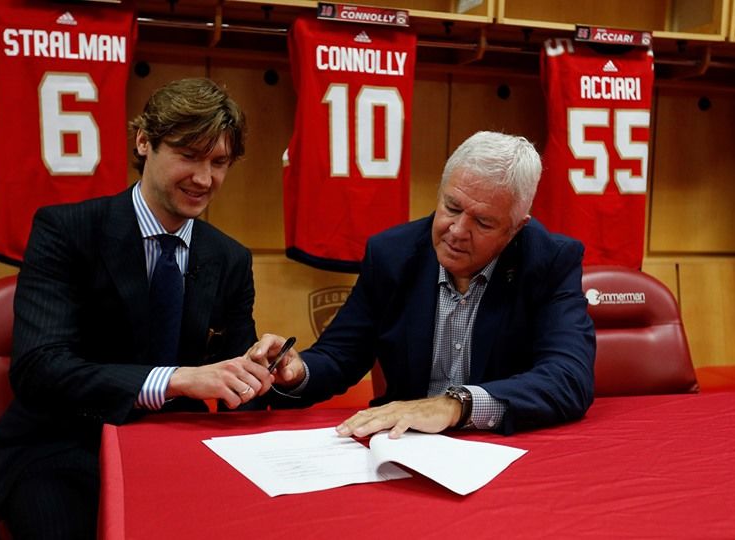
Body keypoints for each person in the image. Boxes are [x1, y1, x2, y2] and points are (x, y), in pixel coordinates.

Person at [0, 78, 273, 539]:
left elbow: (237, 375)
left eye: (219, 162)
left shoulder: (229, 258)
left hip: (179, 448)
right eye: (189, 155)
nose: (204, 179)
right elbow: (40, 368)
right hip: (66, 446)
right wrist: (175, 379)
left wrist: (268, 369)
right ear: (144, 142)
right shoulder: (66, 230)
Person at [253, 131, 596, 438]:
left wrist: (455, 406)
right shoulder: (392, 254)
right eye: (451, 207)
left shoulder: (549, 260)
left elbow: (568, 378)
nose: (458, 230)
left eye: (484, 222)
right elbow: (341, 356)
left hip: (500, 445)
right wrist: (298, 372)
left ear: (516, 228)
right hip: (404, 442)